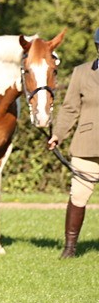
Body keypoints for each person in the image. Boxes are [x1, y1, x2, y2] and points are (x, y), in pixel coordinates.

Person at [48, 27, 99, 258]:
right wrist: (58, 133)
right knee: (78, 195)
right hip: (87, 143)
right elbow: (70, 108)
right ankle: (70, 248)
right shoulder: (81, 72)